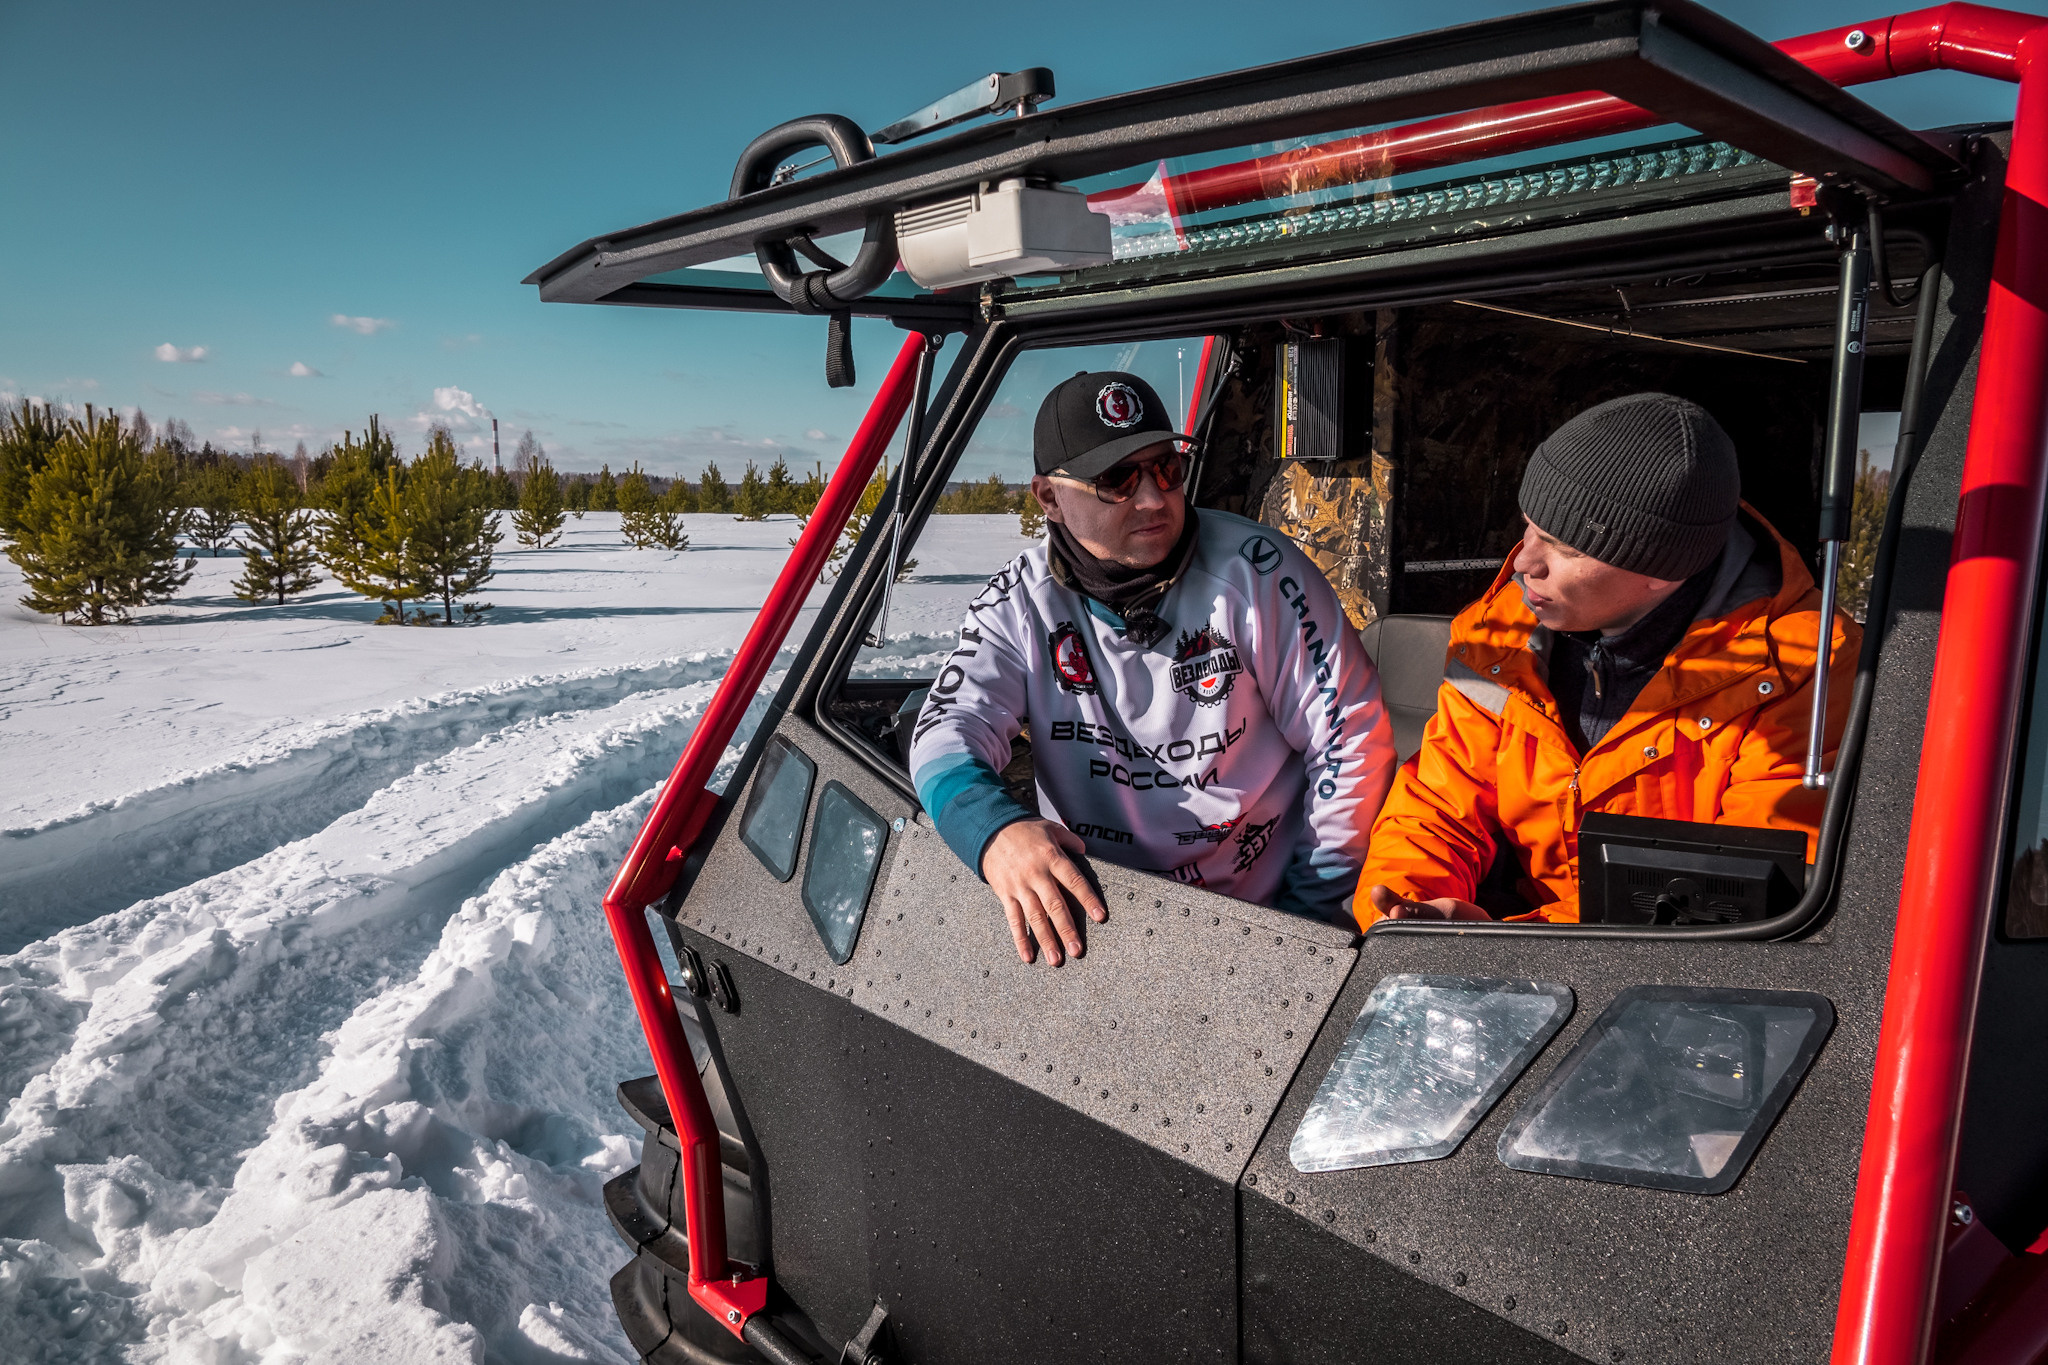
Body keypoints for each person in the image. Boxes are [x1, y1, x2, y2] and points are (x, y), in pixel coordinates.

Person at [909, 369, 1398, 964]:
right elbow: (946, 729)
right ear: (1048, 497)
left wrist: (1310, 913)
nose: (1153, 497)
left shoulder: (1262, 575)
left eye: (1166, 468)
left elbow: (1350, 738)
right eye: (1116, 480)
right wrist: (995, 834)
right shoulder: (1020, 603)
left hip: (1266, 912)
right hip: (1103, 917)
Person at [1356, 392, 1859, 927]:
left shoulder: (1801, 669)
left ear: (1659, 568)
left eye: (1562, 546)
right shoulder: (1495, 637)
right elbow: (1435, 810)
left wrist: (1502, 942)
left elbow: (1737, 895)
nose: (1523, 561)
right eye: (1528, 526)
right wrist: (1409, 918)